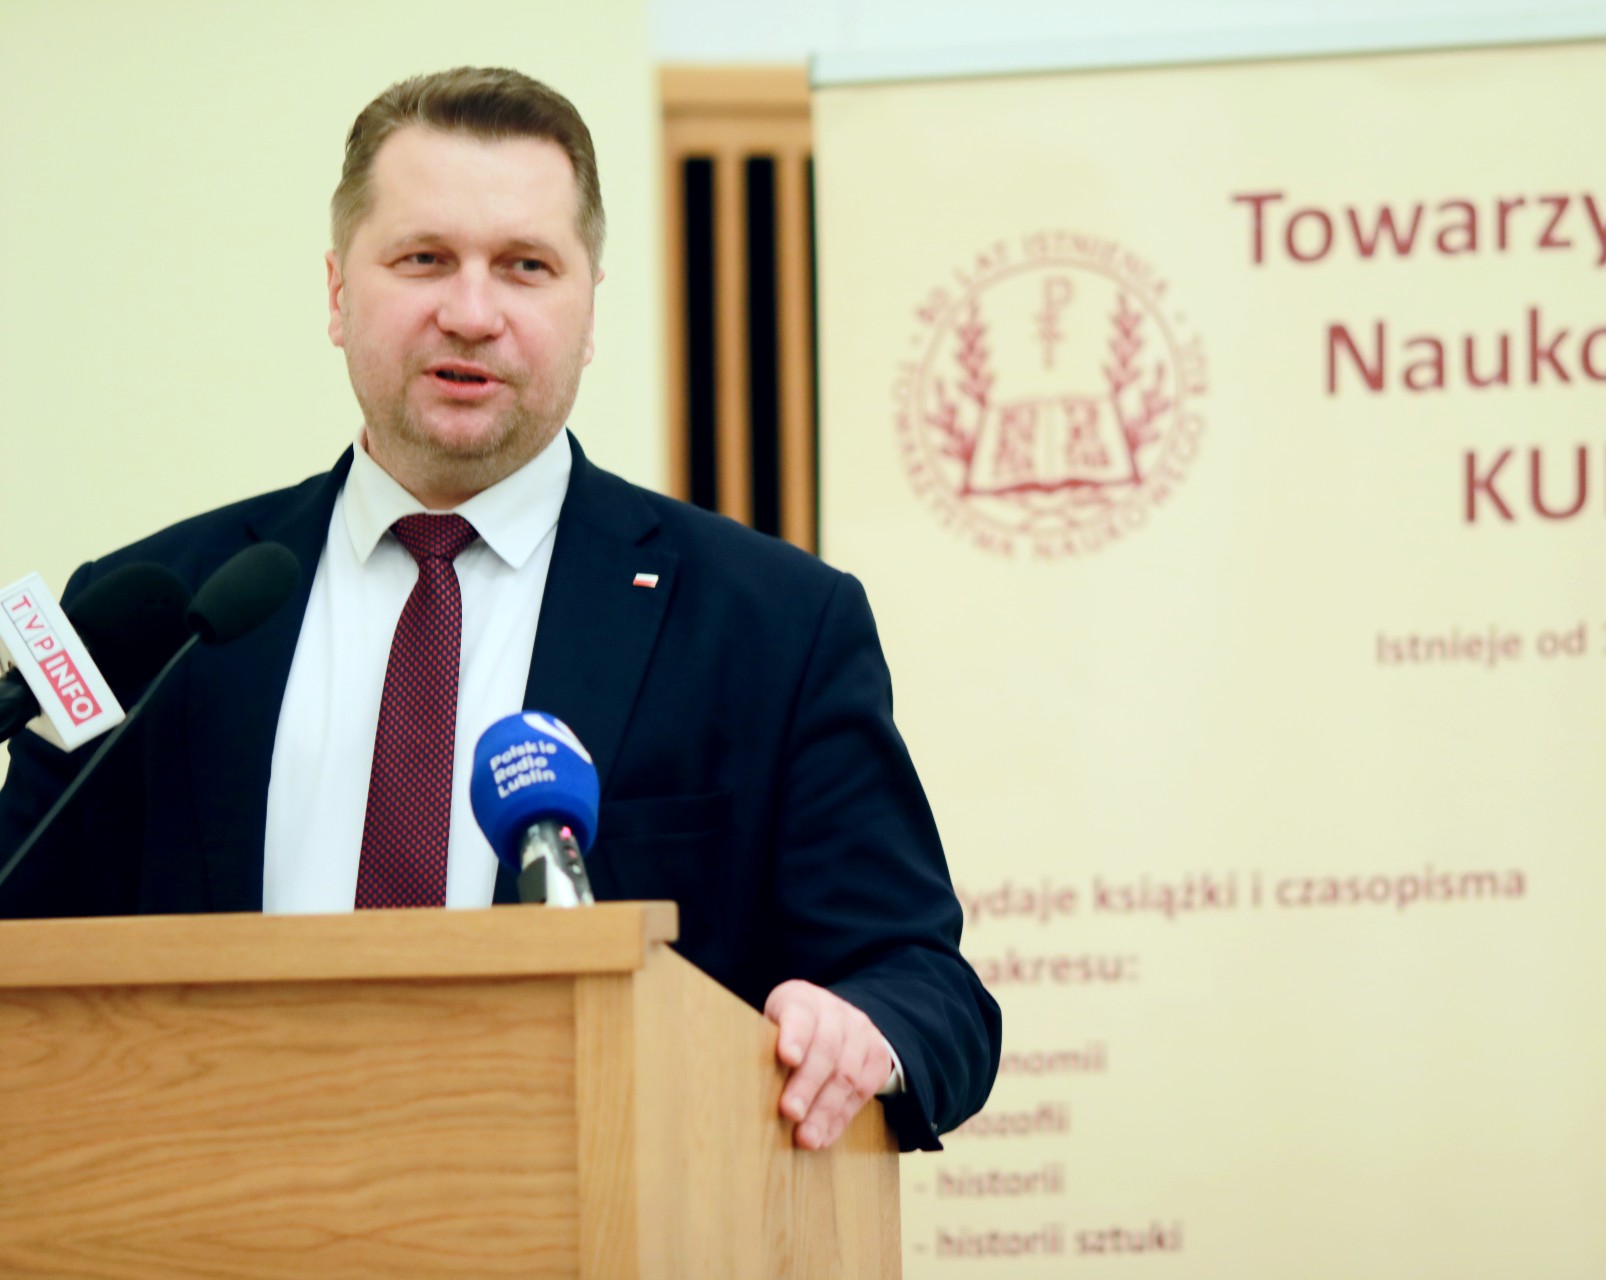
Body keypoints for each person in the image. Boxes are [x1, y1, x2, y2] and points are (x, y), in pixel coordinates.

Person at [0, 66, 997, 1153]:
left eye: (525, 266)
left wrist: (864, 1028)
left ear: (588, 307)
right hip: (201, 1202)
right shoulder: (155, 615)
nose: (471, 314)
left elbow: (922, 982)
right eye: (423, 259)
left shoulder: (770, 625)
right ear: (336, 292)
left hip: (594, 1213)